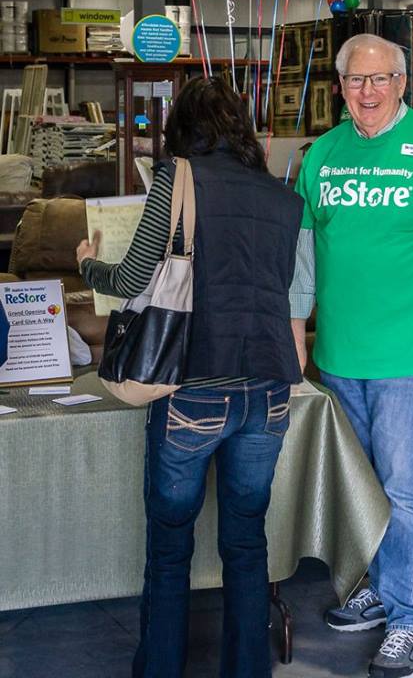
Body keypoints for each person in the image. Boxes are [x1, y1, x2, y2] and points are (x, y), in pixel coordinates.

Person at [76, 77, 303, 678]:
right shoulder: (283, 197)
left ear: (184, 128)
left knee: (172, 549)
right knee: (247, 544)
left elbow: (127, 282)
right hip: (271, 390)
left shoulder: (176, 182)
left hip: (194, 389)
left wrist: (84, 261)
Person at [289, 34, 413, 678]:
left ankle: (412, 621)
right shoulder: (321, 154)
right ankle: (380, 589)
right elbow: (300, 259)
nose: (368, 93)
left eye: (380, 80)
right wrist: (296, 342)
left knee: (405, 494)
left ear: (402, 82)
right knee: (361, 489)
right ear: (340, 85)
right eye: (356, 81)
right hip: (341, 358)